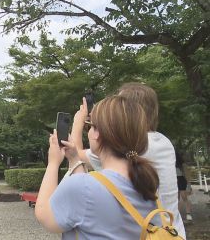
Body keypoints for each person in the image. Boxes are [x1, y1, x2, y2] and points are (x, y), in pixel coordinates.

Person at [36, 96, 162, 239]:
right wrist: (74, 159)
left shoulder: (83, 187)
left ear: (97, 134)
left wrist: (53, 163)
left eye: (90, 126)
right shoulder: (148, 181)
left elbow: (44, 215)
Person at [70, 82, 185, 238]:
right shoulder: (162, 141)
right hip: (171, 233)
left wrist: (79, 122)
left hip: (145, 235)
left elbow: (76, 154)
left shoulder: (129, 148)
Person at [176, 151, 193, 221]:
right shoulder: (171, 165)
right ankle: (176, 213)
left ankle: (188, 213)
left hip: (182, 181)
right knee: (176, 199)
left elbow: (187, 175)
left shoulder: (183, 165)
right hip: (175, 181)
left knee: (184, 197)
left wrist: (189, 185)